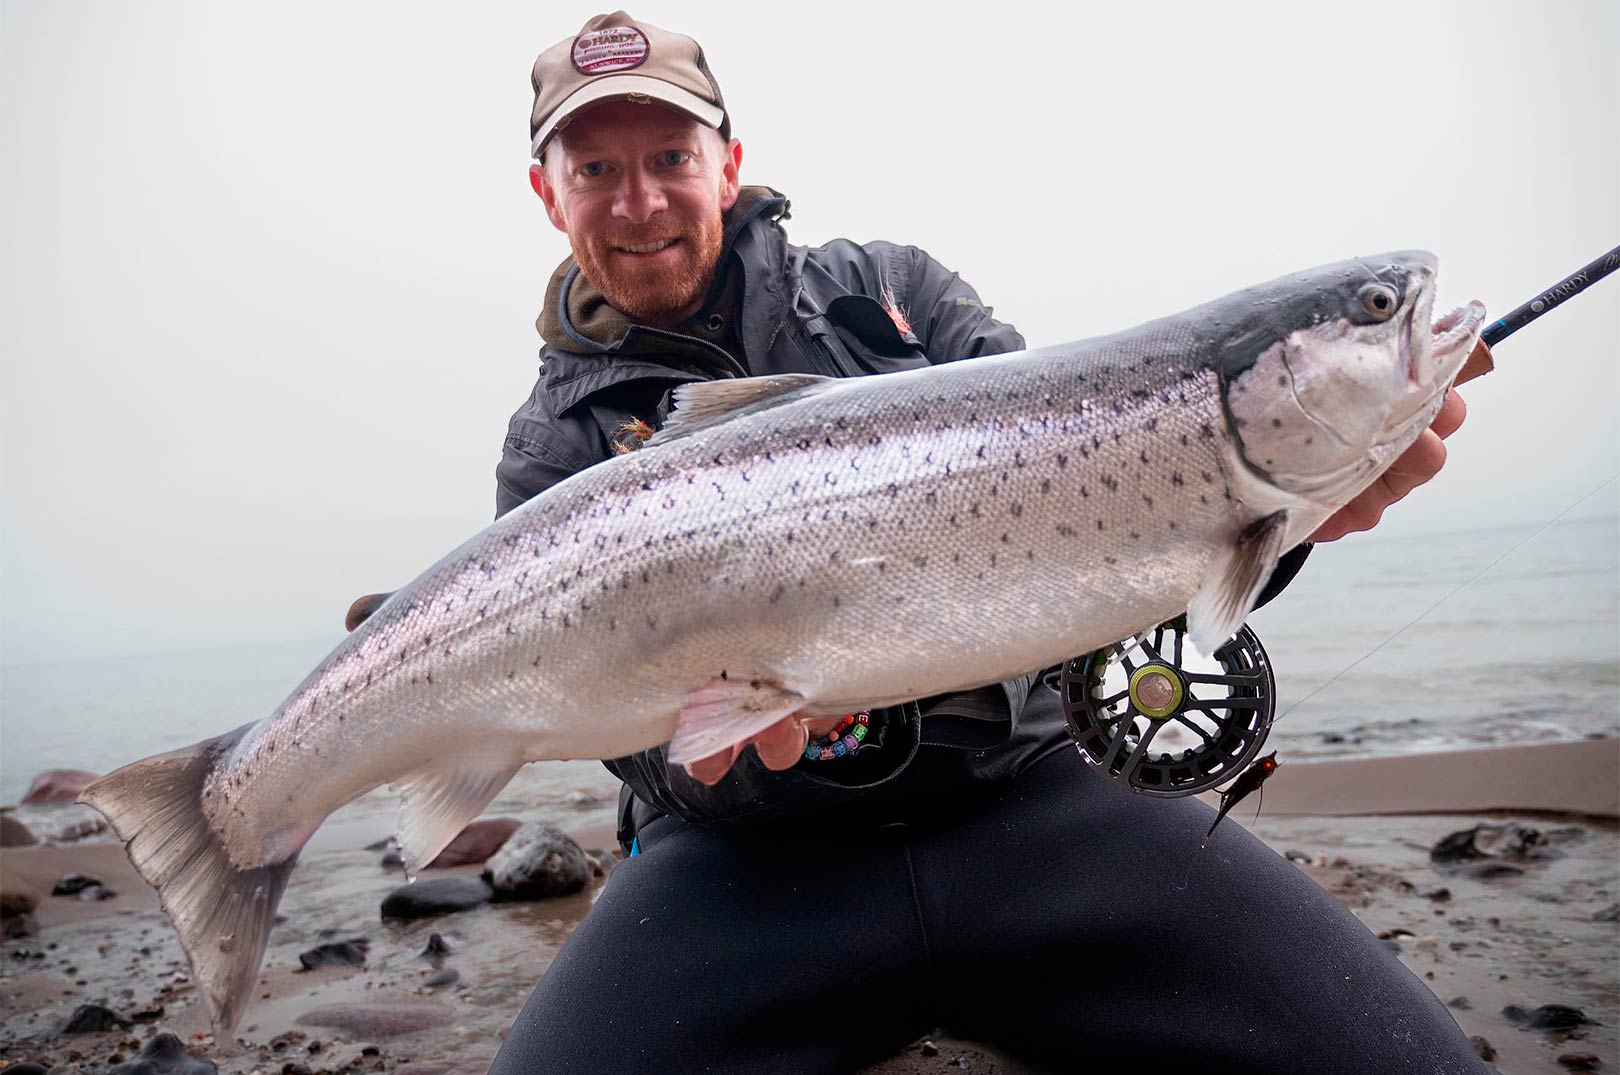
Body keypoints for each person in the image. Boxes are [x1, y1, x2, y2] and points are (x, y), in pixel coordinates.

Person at [488, 13, 1485, 1074]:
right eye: (597, 168)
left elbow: (1121, 551)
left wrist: (1288, 520)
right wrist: (731, 758)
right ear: (548, 193)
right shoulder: (549, 450)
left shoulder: (893, 293)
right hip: (742, 869)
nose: (640, 200)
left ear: (727, 165)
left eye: (670, 158)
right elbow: (629, 740)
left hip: (1036, 799)